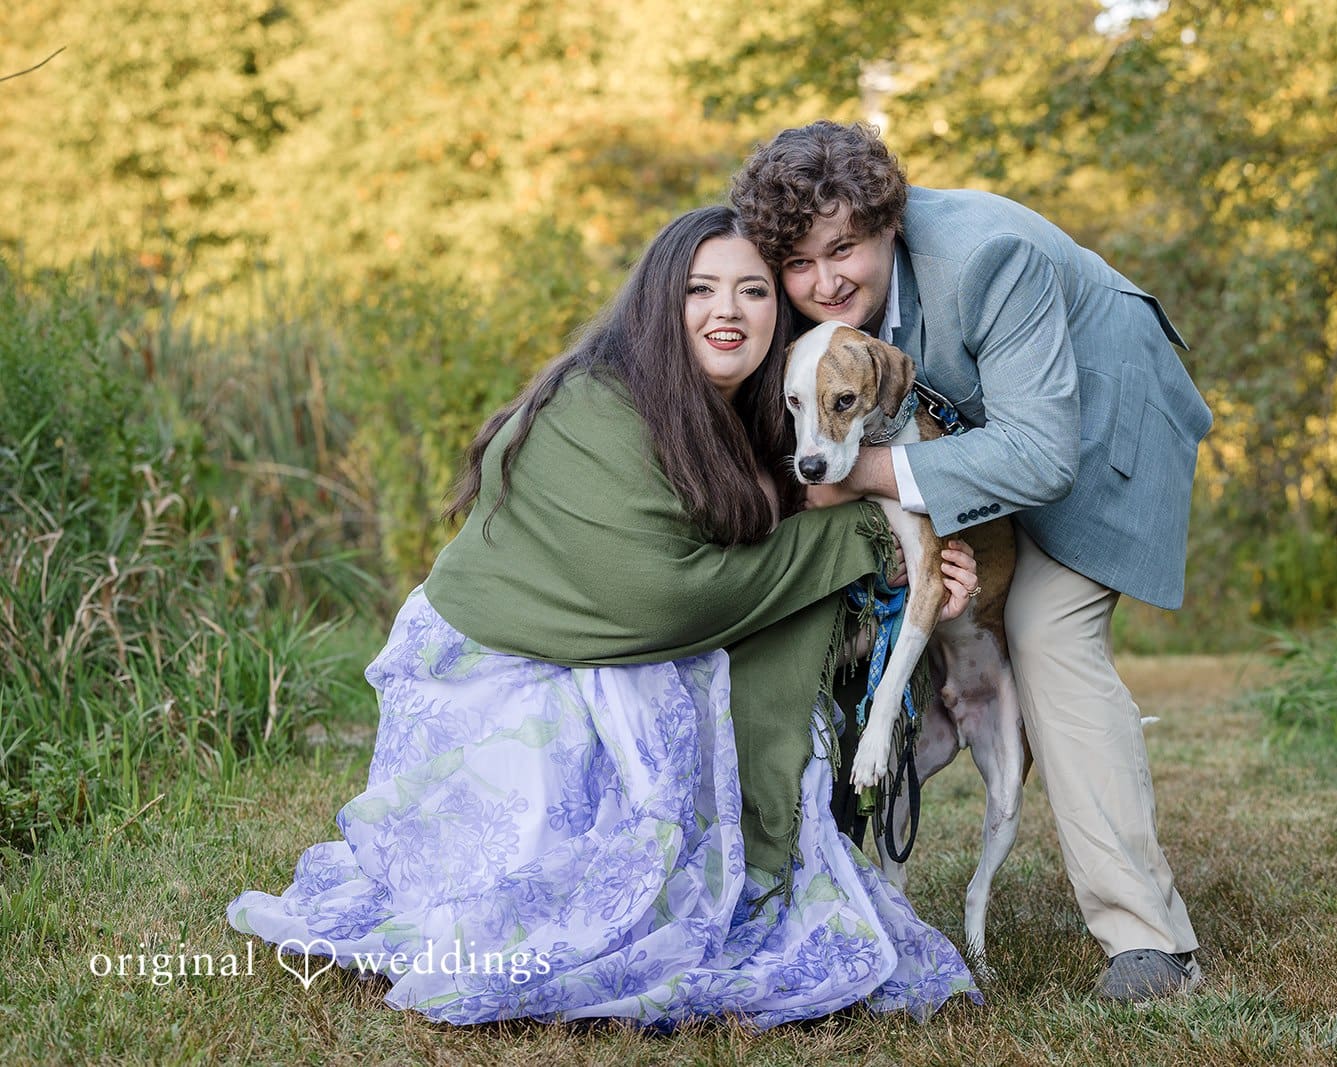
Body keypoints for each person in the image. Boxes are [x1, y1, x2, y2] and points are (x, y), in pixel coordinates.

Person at [227, 206, 984, 1028]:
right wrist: (871, 533)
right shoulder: (598, 404)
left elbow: (778, 543)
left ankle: (750, 858)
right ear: (660, 300)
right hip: (504, 668)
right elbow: (658, 598)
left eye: (753, 291)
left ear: (783, 313)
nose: (726, 310)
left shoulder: (758, 412)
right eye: (700, 288)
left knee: (702, 700)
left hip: (610, 650)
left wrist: (925, 553)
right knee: (591, 874)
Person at [731, 122, 1214, 1002]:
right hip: (976, 449)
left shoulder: (987, 258)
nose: (826, 282)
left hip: (1096, 426)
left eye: (844, 249)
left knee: (1042, 629)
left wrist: (862, 475)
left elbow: (1038, 454)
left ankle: (1150, 944)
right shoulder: (821, 320)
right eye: (800, 264)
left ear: (890, 219)